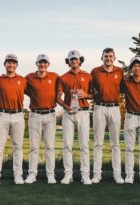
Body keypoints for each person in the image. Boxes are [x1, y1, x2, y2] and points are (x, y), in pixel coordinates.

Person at [57, 50, 93, 185]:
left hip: (83, 112)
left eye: (76, 59)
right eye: (71, 59)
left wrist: (85, 95)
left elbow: (94, 95)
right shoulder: (63, 77)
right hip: (68, 114)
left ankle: (85, 175)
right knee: (67, 145)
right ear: (69, 61)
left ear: (80, 60)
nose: (74, 61)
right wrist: (67, 107)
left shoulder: (88, 76)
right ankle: (68, 175)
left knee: (84, 145)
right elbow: (57, 97)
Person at [0, 54, 27, 186]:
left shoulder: (23, 80)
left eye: (13, 63)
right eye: (8, 63)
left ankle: (18, 176)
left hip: (18, 115)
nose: (11, 65)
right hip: (1, 114)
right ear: (5, 64)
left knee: (18, 147)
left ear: (16, 65)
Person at [91, 48, 124, 184]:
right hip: (99, 108)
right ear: (102, 57)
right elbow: (91, 90)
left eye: (111, 56)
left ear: (114, 58)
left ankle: (117, 174)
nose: (108, 58)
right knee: (98, 143)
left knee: (115, 143)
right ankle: (97, 174)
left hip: (115, 108)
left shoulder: (120, 71)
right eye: (106, 56)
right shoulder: (95, 71)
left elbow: (122, 89)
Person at [24, 54, 59, 184]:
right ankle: (32, 174)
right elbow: (23, 90)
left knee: (50, 146)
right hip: (35, 114)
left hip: (50, 115)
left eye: (45, 63)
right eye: (40, 62)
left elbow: (61, 90)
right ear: (36, 63)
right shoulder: (29, 77)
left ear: (48, 64)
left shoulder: (55, 76)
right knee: (34, 147)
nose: (42, 65)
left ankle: (50, 174)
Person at [122, 56, 140, 184]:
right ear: (131, 68)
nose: (137, 68)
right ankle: (129, 175)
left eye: (139, 66)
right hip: (130, 117)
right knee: (129, 148)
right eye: (134, 66)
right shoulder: (126, 81)